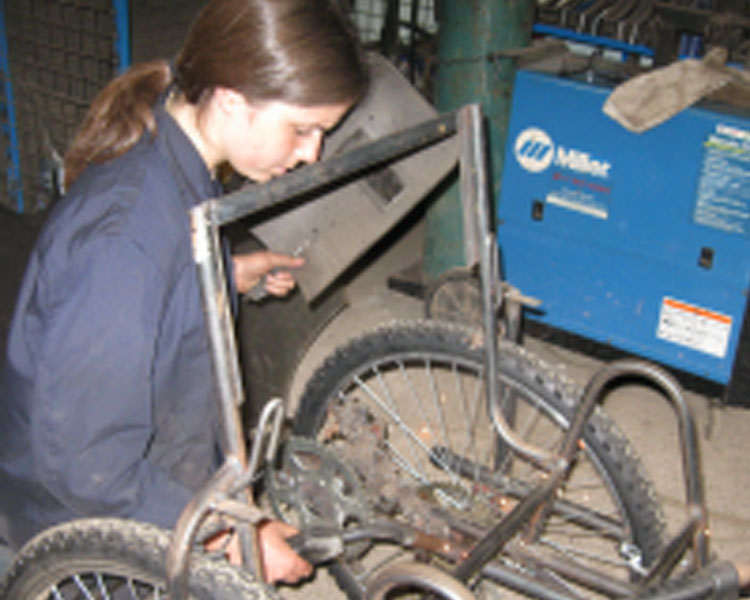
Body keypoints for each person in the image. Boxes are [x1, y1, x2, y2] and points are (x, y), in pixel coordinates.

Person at [0, 0, 368, 585]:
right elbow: (86, 462)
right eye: (303, 129)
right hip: (81, 528)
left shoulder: (180, 167)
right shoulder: (124, 240)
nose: (312, 153)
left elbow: (154, 286)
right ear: (229, 100)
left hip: (153, 468)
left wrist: (227, 273)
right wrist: (232, 530)